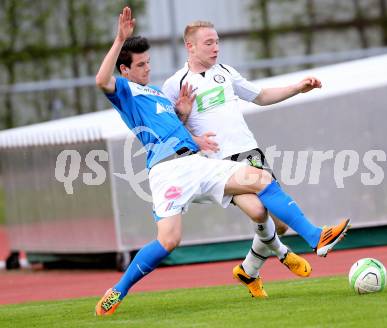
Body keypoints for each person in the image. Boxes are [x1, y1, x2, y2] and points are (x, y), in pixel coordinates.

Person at [95, 7, 349, 316]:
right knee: (168, 241)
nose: (148, 69)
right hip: (167, 171)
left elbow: (173, 126)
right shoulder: (125, 90)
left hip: (196, 162)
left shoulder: (157, 94)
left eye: (149, 63)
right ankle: (117, 291)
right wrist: (120, 37)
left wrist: (187, 121)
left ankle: (314, 238)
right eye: (141, 65)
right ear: (125, 69)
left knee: (262, 186)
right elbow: (100, 80)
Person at [162, 21, 325, 297]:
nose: (216, 48)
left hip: (249, 153)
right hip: (219, 164)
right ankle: (291, 250)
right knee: (258, 212)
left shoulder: (225, 73)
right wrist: (183, 114)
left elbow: (260, 96)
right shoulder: (174, 85)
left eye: (217, 41)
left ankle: (248, 271)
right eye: (208, 43)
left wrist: (297, 88)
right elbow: (169, 131)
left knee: (279, 223)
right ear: (190, 46)